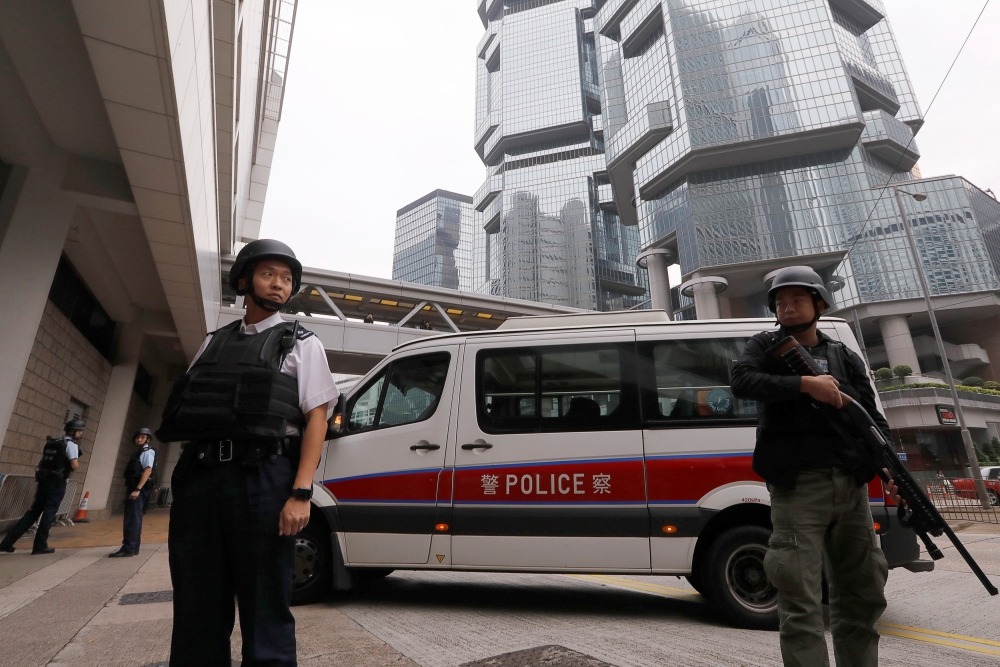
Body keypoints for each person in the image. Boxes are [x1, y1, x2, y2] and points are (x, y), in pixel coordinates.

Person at [156, 239, 339, 667]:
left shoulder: (300, 342)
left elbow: (317, 418)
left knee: (265, 603)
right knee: (196, 601)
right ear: (244, 280)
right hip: (200, 481)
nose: (279, 284)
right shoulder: (212, 342)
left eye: (287, 278)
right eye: (268, 274)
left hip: (263, 478)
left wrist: (300, 492)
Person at [731, 266, 892, 667]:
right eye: (780, 301)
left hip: (851, 487)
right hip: (797, 486)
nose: (787, 307)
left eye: (797, 299)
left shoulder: (843, 354)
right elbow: (742, 381)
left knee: (863, 590)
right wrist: (806, 385)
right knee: (799, 598)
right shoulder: (765, 346)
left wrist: (891, 467)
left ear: (819, 304)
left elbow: (872, 418)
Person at [0, 419, 82, 555]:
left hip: (44, 481)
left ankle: (6, 543)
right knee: (49, 513)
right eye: (79, 431)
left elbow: (40, 464)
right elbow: (74, 465)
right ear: (73, 431)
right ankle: (40, 545)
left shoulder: (52, 443)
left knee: (33, 512)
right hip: (57, 483)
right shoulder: (71, 445)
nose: (81, 433)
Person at [109, 428, 156, 558]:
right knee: (134, 518)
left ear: (148, 439)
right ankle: (132, 547)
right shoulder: (139, 452)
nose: (139, 439)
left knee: (132, 519)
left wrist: (138, 489)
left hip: (138, 489)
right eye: (137, 437)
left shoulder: (147, 452)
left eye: (142, 437)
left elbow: (148, 470)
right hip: (135, 488)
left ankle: (129, 547)